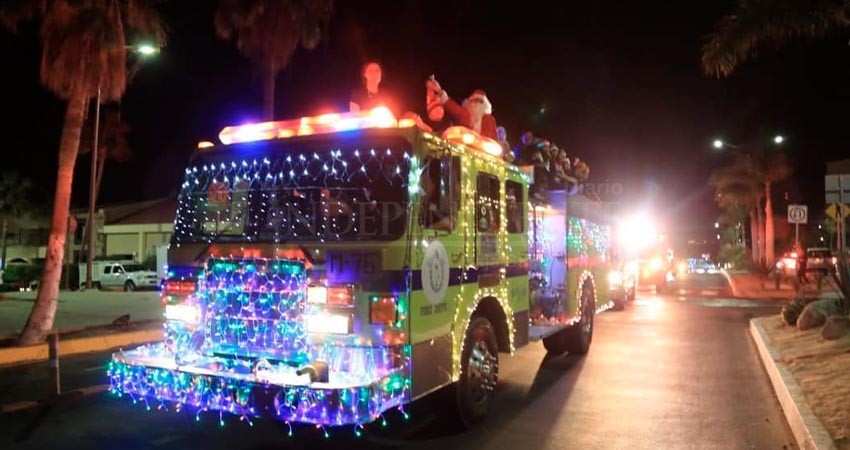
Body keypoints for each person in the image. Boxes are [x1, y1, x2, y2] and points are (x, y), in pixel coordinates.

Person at [425, 77, 499, 140]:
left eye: (480, 101)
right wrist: (439, 90)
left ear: (485, 105)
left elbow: (495, 141)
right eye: (474, 101)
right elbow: (451, 106)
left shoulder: (490, 120)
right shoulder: (465, 114)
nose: (476, 103)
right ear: (470, 103)